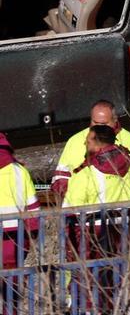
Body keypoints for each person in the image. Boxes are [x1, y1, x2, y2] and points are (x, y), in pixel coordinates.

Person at [63, 125, 130, 313]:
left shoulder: (86, 173)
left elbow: (69, 213)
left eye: (88, 140)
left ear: (97, 143)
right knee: (118, 279)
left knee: (90, 283)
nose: (85, 143)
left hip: (93, 237)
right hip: (125, 233)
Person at [52, 100, 130, 199]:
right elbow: (61, 177)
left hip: (128, 206)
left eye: (104, 123)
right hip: (86, 207)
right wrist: (72, 196)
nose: (99, 127)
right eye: (95, 122)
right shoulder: (75, 141)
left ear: (115, 119)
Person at [1, 132, 39, 312]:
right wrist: (33, 233)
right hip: (16, 238)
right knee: (11, 285)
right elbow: (33, 208)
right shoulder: (19, 171)